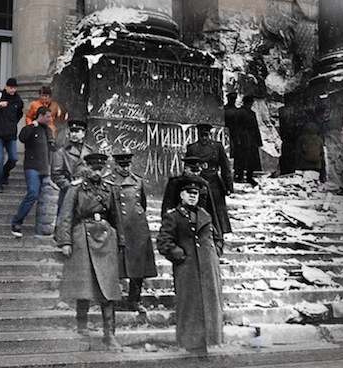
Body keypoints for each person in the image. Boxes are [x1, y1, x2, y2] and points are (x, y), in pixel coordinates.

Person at [54, 153, 125, 351]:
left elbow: (116, 216)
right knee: (83, 285)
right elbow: (65, 215)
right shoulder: (76, 189)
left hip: (105, 238)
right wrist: (65, 241)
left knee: (108, 288)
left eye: (99, 169)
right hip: (82, 237)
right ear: (87, 169)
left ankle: (109, 334)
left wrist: (121, 241)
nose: (96, 172)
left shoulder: (110, 189)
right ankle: (82, 328)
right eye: (93, 169)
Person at [156, 179, 224, 355]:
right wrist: (180, 256)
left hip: (208, 269)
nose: (193, 197)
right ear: (181, 195)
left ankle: (208, 341)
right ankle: (191, 344)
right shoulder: (173, 216)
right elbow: (163, 242)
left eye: (195, 194)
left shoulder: (205, 214)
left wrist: (215, 253)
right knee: (190, 307)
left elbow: (217, 237)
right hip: (188, 270)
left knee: (208, 306)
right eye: (189, 194)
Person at [104, 152, 157, 315]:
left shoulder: (137, 181)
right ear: (116, 165)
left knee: (138, 266)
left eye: (127, 165)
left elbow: (143, 204)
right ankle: (113, 298)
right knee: (116, 266)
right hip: (118, 226)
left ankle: (134, 299)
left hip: (138, 229)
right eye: (122, 165)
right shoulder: (109, 181)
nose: (125, 168)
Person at [12, 106, 55, 237]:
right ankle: (17, 222)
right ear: (40, 115)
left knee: (47, 198)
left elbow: (52, 147)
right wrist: (32, 126)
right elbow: (22, 138)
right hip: (32, 167)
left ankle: (43, 227)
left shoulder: (48, 130)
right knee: (33, 193)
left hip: (45, 168)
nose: (50, 119)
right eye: (47, 116)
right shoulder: (31, 128)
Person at [185, 123, 233, 233]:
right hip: (198, 182)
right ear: (198, 134)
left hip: (214, 181)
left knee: (218, 210)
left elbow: (225, 167)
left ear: (209, 134)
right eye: (202, 135)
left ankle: (220, 232)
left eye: (206, 135)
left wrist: (228, 185)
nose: (204, 138)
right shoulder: (192, 148)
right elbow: (187, 168)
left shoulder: (217, 147)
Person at [161, 156, 222, 237]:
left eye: (198, 171)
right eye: (193, 171)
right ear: (186, 169)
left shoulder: (203, 184)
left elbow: (211, 209)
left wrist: (217, 233)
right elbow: (168, 205)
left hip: (199, 221)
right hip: (179, 222)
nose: (196, 174)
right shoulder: (175, 183)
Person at [51, 119, 93, 215]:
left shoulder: (89, 151)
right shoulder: (62, 152)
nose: (74, 134)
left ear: (83, 133)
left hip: (86, 193)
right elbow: (56, 174)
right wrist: (70, 187)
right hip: (68, 192)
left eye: (77, 131)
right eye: (72, 131)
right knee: (64, 221)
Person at [232, 95, 263, 185]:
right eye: (249, 103)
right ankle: (239, 176)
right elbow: (235, 127)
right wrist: (236, 139)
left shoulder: (252, 113)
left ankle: (249, 177)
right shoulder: (239, 112)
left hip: (251, 139)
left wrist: (258, 141)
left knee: (251, 160)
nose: (250, 105)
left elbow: (255, 127)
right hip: (242, 139)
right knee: (241, 158)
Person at [223, 93, 242, 181]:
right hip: (229, 134)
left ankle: (235, 173)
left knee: (235, 155)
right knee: (231, 155)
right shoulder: (229, 110)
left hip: (234, 135)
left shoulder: (225, 110)